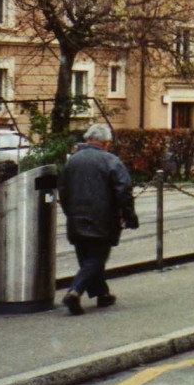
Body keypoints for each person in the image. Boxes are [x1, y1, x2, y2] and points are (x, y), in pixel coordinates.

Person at [59, 123, 138, 315]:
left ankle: (102, 294)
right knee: (96, 258)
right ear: (104, 143)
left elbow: (62, 190)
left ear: (88, 140)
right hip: (103, 219)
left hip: (76, 218)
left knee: (87, 258)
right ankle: (75, 291)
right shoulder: (110, 160)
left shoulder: (72, 161)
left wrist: (69, 212)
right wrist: (129, 216)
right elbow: (124, 191)